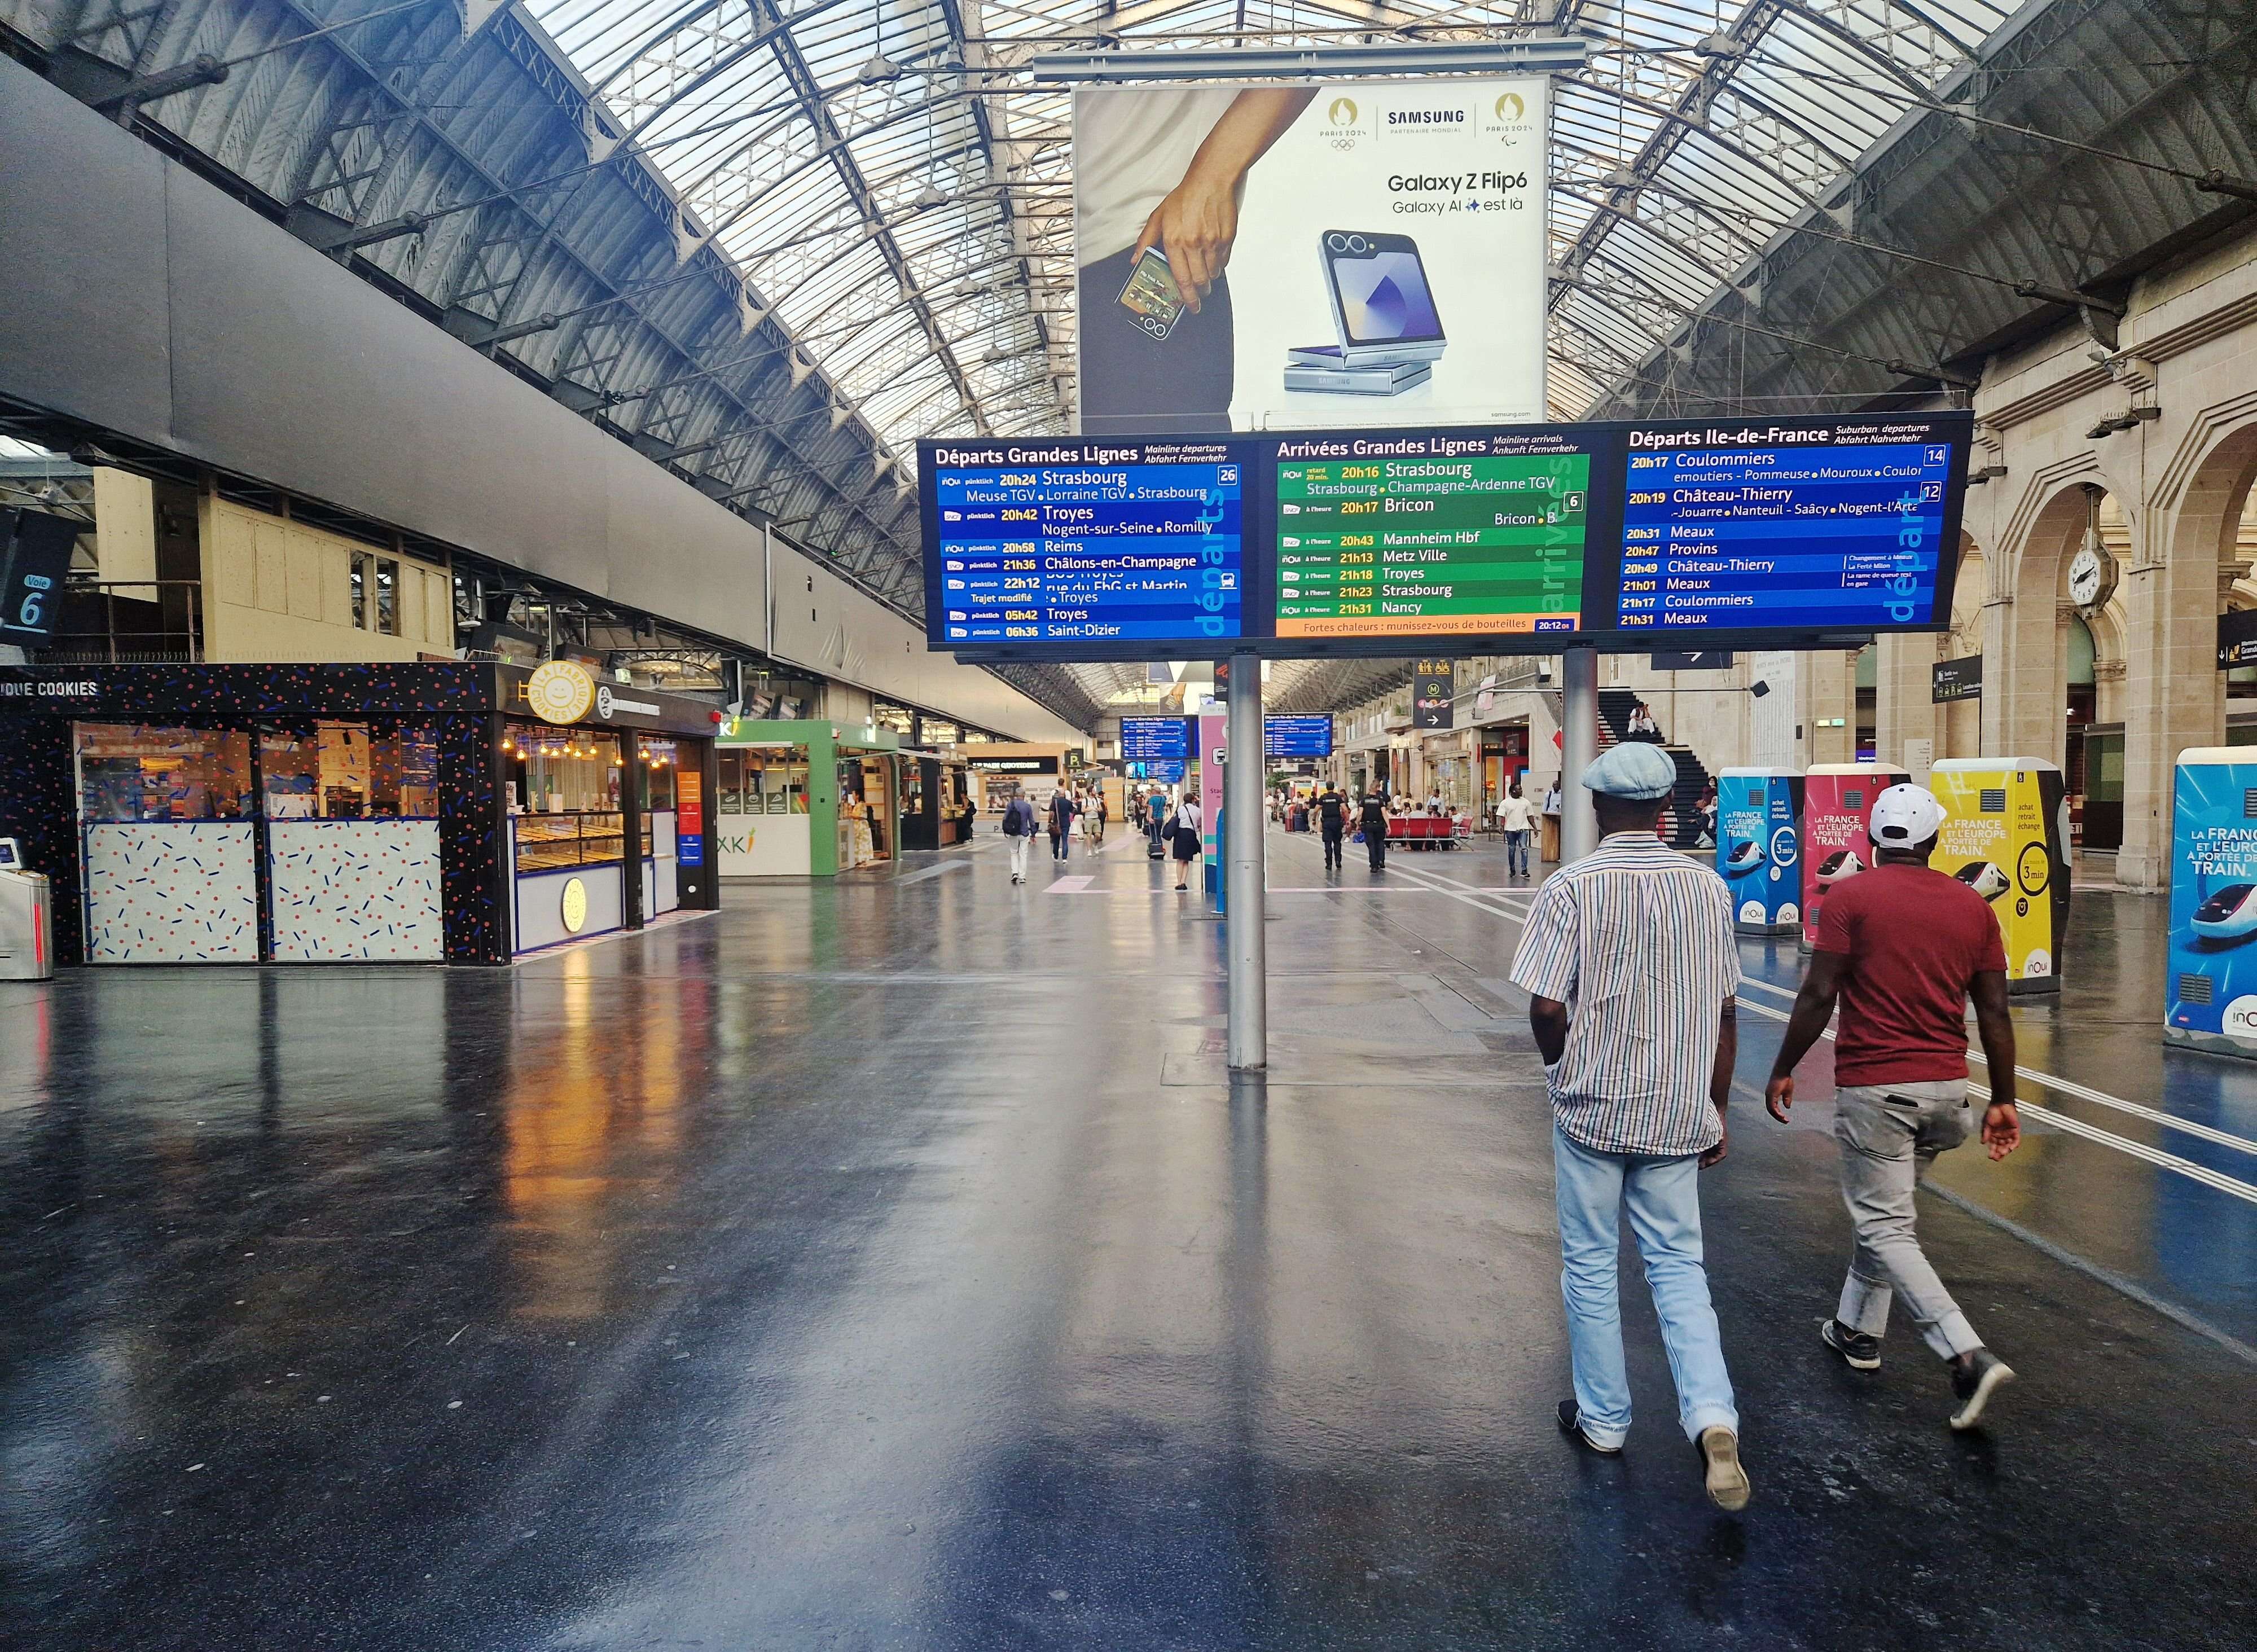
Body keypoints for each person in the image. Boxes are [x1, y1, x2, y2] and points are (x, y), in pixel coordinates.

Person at [1508, 740, 1749, 1513]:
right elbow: (1725, 1010)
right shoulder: (1707, 889)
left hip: (1593, 1108)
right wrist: (1715, 1106)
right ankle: (1712, 1416)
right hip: (1679, 1111)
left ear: (1596, 807)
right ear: (1665, 809)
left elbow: (1546, 1006)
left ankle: (1605, 1420)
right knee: (1679, 1266)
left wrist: (1558, 1071)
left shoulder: (1571, 887)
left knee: (1589, 1263)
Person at [1763, 783, 2021, 1431]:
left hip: (1877, 1090)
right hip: (1946, 1094)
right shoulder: (1973, 908)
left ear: (1874, 842)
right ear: (1933, 842)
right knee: (1887, 1216)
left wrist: (1783, 1067)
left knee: (1885, 1225)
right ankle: (1856, 1331)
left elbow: (1820, 993)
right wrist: (2006, 1100)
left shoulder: (1851, 896)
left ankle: (1964, 1353)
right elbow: (1993, 1011)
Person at [1075, 89, 1317, 432]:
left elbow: (1316, 53)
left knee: (1169, 476)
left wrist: (1209, 178)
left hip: (1152, 256)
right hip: (1109, 275)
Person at [1498, 776, 1538, 879]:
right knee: (1512, 850)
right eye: (1519, 789)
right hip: (1510, 830)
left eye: (1521, 789)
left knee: (1524, 849)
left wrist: (1535, 828)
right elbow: (1501, 815)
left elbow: (1530, 816)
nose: (1521, 791)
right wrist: (1500, 826)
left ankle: (1524, 870)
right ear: (1513, 791)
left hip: (1523, 829)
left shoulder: (1526, 802)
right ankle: (1512, 870)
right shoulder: (1505, 802)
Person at [999, 791, 1037, 884]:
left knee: (1014, 853)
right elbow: (1032, 821)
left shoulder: (1011, 805)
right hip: (1024, 833)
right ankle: (1022, 877)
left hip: (1013, 832)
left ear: (1016, 795)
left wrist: (1005, 830)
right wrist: (1033, 834)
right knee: (1023, 855)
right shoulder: (1027, 806)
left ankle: (1015, 873)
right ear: (1024, 796)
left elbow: (1005, 818)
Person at [1168, 792, 1202, 890]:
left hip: (1180, 834)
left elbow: (1175, 821)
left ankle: (1179, 883)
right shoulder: (1198, 810)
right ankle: (1184, 882)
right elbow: (1199, 824)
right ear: (1193, 800)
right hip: (1191, 835)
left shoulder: (1180, 809)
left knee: (1180, 860)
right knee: (1186, 860)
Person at [1314, 779, 1349, 873]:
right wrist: (1347, 819)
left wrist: (1314, 819)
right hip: (1337, 822)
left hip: (1327, 823)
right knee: (1337, 842)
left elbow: (1316, 810)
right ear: (1334, 787)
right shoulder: (1337, 797)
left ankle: (1329, 863)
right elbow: (1345, 809)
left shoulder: (1323, 798)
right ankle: (1338, 861)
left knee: (1328, 843)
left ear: (1326, 787)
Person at [1358, 789, 1389, 872]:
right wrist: (1388, 825)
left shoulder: (1364, 800)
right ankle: (1381, 860)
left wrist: (1357, 823)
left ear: (1369, 790)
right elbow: (1384, 813)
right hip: (1379, 825)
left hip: (1368, 825)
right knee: (1380, 843)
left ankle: (1374, 865)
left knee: (1371, 845)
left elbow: (1360, 813)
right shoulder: (1380, 800)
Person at [1048, 787, 1076, 861]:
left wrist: (1049, 821)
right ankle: (1064, 858)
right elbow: (1073, 811)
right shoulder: (1068, 802)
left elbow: (1051, 813)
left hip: (1057, 824)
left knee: (1056, 841)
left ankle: (1056, 856)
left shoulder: (1055, 802)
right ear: (1065, 795)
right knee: (1065, 841)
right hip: (1066, 824)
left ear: (1059, 794)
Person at [1540, 779, 1564, 864]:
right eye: (1555, 785)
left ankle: (1560, 855)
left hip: (1560, 816)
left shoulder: (1563, 794)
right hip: (1551, 816)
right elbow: (1545, 805)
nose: (1556, 787)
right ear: (1552, 786)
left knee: (1560, 836)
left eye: (1557, 785)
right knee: (1552, 836)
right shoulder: (1549, 794)